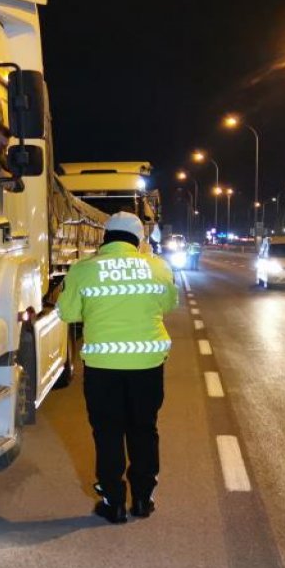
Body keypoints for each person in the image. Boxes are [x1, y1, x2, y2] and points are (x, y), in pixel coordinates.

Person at [57, 212, 179, 524]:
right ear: (139, 240)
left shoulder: (84, 269)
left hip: (103, 368)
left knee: (108, 432)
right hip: (147, 366)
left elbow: (68, 314)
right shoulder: (157, 267)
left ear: (105, 237)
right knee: (144, 429)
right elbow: (169, 305)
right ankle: (142, 499)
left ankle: (113, 503)